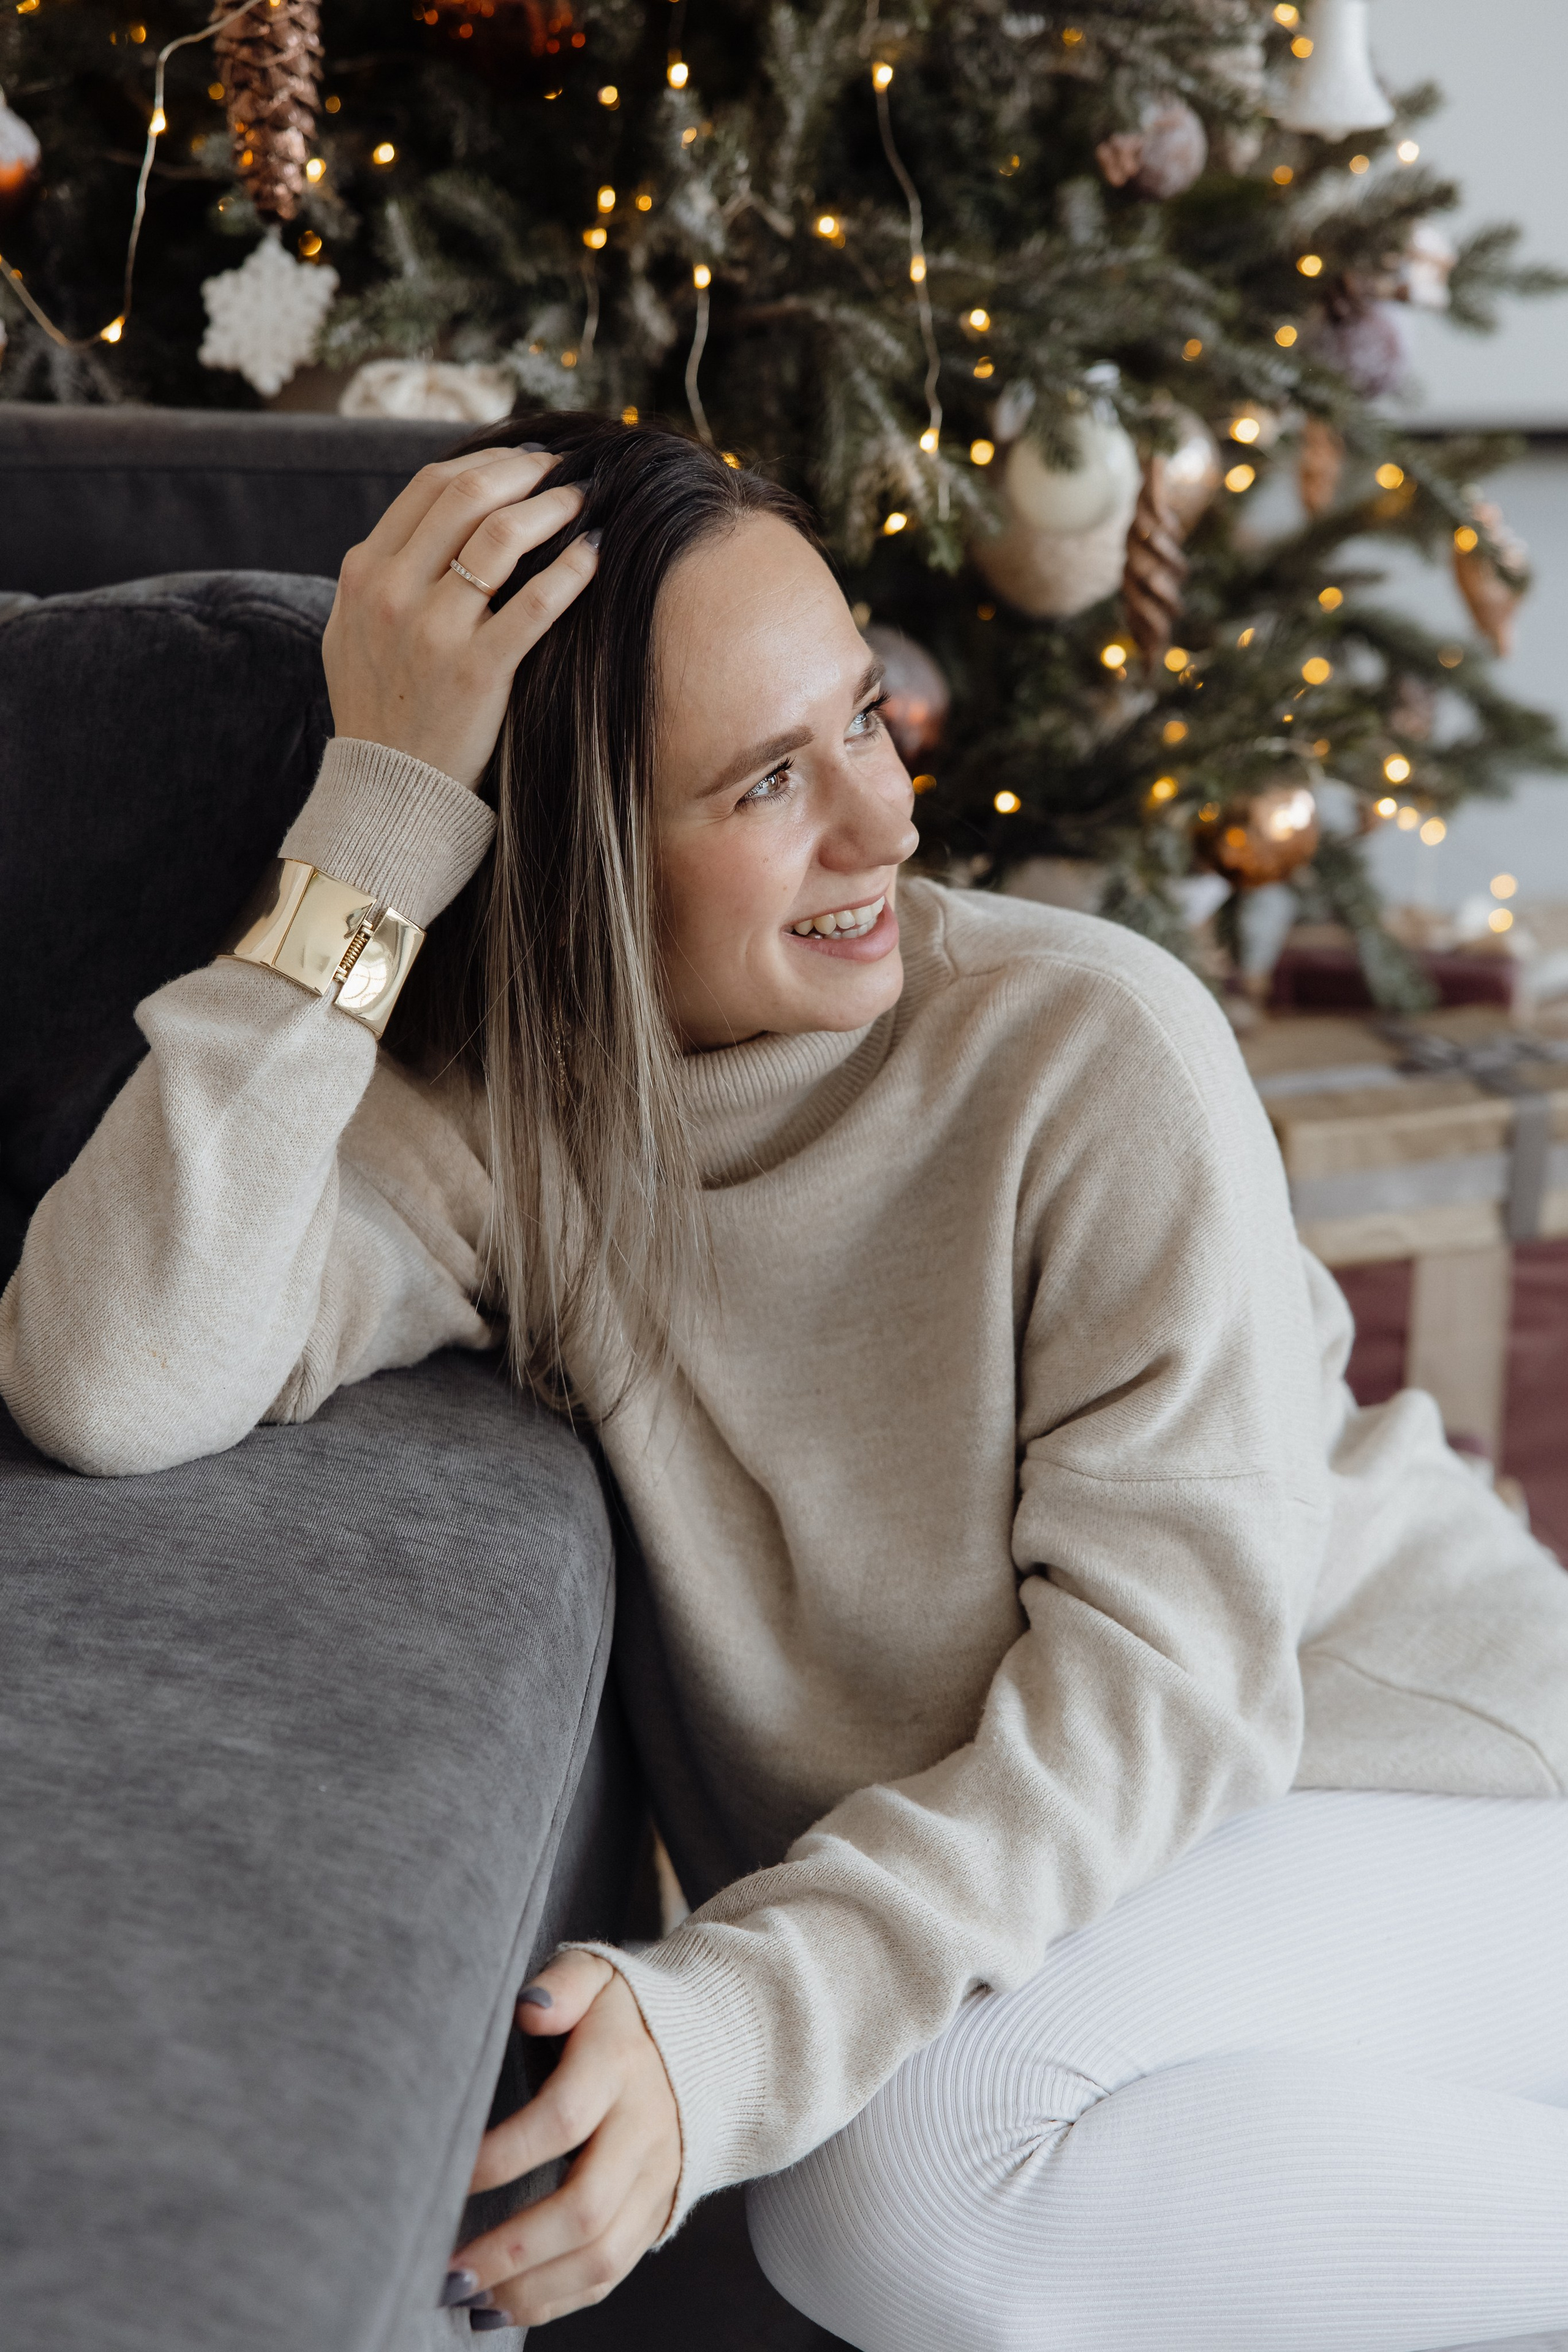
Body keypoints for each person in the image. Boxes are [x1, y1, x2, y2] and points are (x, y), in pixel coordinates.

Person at [3, 412, 1566, 2352]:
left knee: (901, 2184)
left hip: (1424, 1783)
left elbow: (1169, 1690)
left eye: (864, 718)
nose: (885, 823)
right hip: (1123, 1870)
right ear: (581, 845)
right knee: (902, 2184)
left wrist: (739, 2014)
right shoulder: (498, 1139)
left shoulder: (1089, 1048)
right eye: (765, 781)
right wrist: (387, 804)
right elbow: (112, 1373)